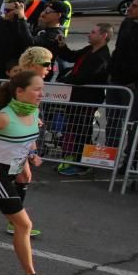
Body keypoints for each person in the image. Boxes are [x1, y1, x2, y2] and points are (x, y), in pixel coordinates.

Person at [0, 72, 63, 275]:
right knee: (24, 225)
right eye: (37, 89)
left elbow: (28, 139)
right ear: (19, 91)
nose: (42, 93)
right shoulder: (4, 117)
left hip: (11, 173)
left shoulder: (33, 111)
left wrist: (32, 154)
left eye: (42, 89)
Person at [55, 23, 112, 176]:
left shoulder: (102, 56)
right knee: (74, 128)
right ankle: (75, 159)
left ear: (103, 35)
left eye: (93, 32)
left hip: (88, 98)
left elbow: (83, 77)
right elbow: (72, 56)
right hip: (76, 95)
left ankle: (83, 164)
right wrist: (62, 46)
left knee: (83, 129)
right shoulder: (89, 49)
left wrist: (63, 81)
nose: (89, 34)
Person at [107, 0, 138, 167]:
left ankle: (130, 160)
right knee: (112, 120)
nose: (130, 8)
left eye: (135, 6)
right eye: (131, 4)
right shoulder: (127, 23)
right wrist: (112, 71)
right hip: (116, 80)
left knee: (132, 122)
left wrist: (137, 80)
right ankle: (109, 156)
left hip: (133, 84)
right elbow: (119, 50)